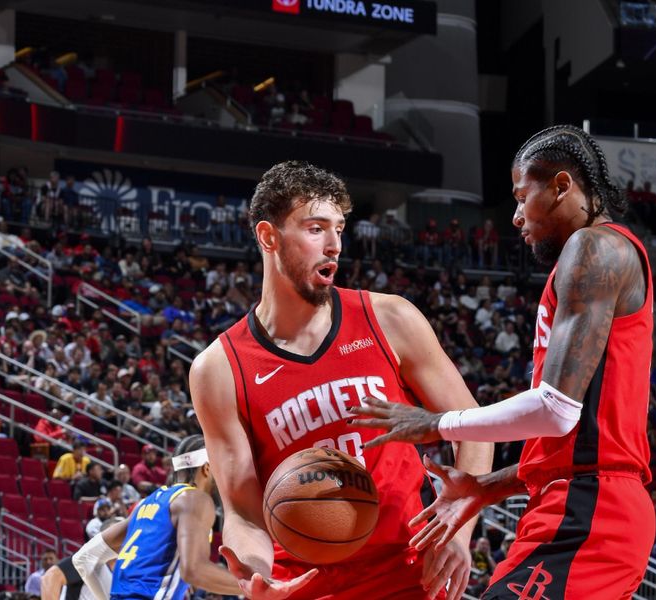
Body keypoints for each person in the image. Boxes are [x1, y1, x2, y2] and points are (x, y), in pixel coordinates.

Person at [351, 125, 655, 599]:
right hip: (579, 504)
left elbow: (556, 411)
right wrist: (484, 488)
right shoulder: (595, 257)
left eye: (520, 196)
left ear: (560, 186)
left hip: (591, 512)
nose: (514, 217)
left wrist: (438, 423)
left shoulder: (594, 248)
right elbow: (575, 442)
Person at [190, 161, 492, 600]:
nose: (334, 245)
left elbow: (475, 427)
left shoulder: (389, 318)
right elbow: (243, 510)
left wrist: (458, 531)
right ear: (268, 237)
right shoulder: (218, 368)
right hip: (306, 586)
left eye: (339, 229)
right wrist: (257, 574)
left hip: (409, 574)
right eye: (315, 228)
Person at [72, 435, 241, 599]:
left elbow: (85, 558)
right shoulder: (195, 499)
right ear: (206, 468)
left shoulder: (145, 504)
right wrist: (253, 587)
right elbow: (194, 570)